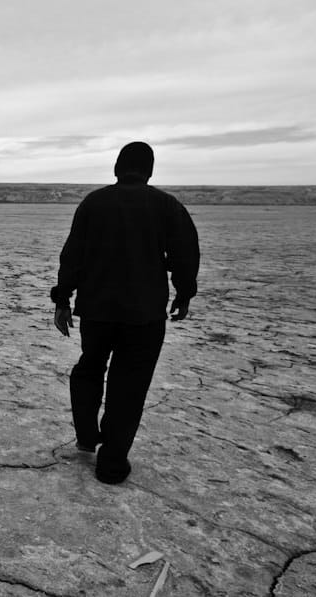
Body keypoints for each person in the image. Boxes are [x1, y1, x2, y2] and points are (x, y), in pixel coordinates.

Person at [50, 141, 199, 484]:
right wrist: (184, 293)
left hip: (97, 310)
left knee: (89, 368)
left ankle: (88, 436)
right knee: (129, 386)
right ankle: (112, 463)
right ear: (149, 170)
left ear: (117, 168)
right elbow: (185, 254)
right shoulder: (166, 206)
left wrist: (62, 299)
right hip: (144, 314)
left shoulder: (94, 203)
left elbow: (72, 255)